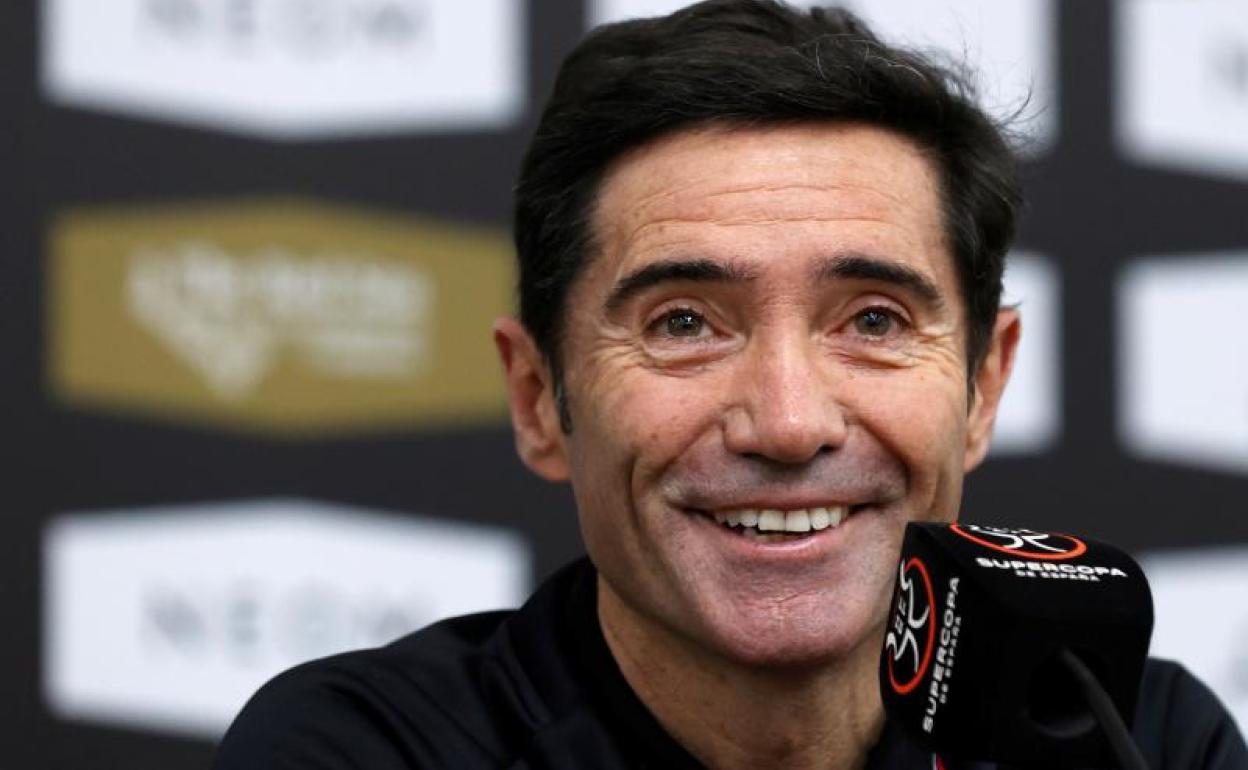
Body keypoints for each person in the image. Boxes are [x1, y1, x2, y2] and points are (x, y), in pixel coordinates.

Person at [213, 2, 1248, 768]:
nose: (789, 423)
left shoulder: (1133, 738)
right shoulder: (361, 749)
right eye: (684, 324)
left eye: (873, 321)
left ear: (983, 384)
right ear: (537, 398)